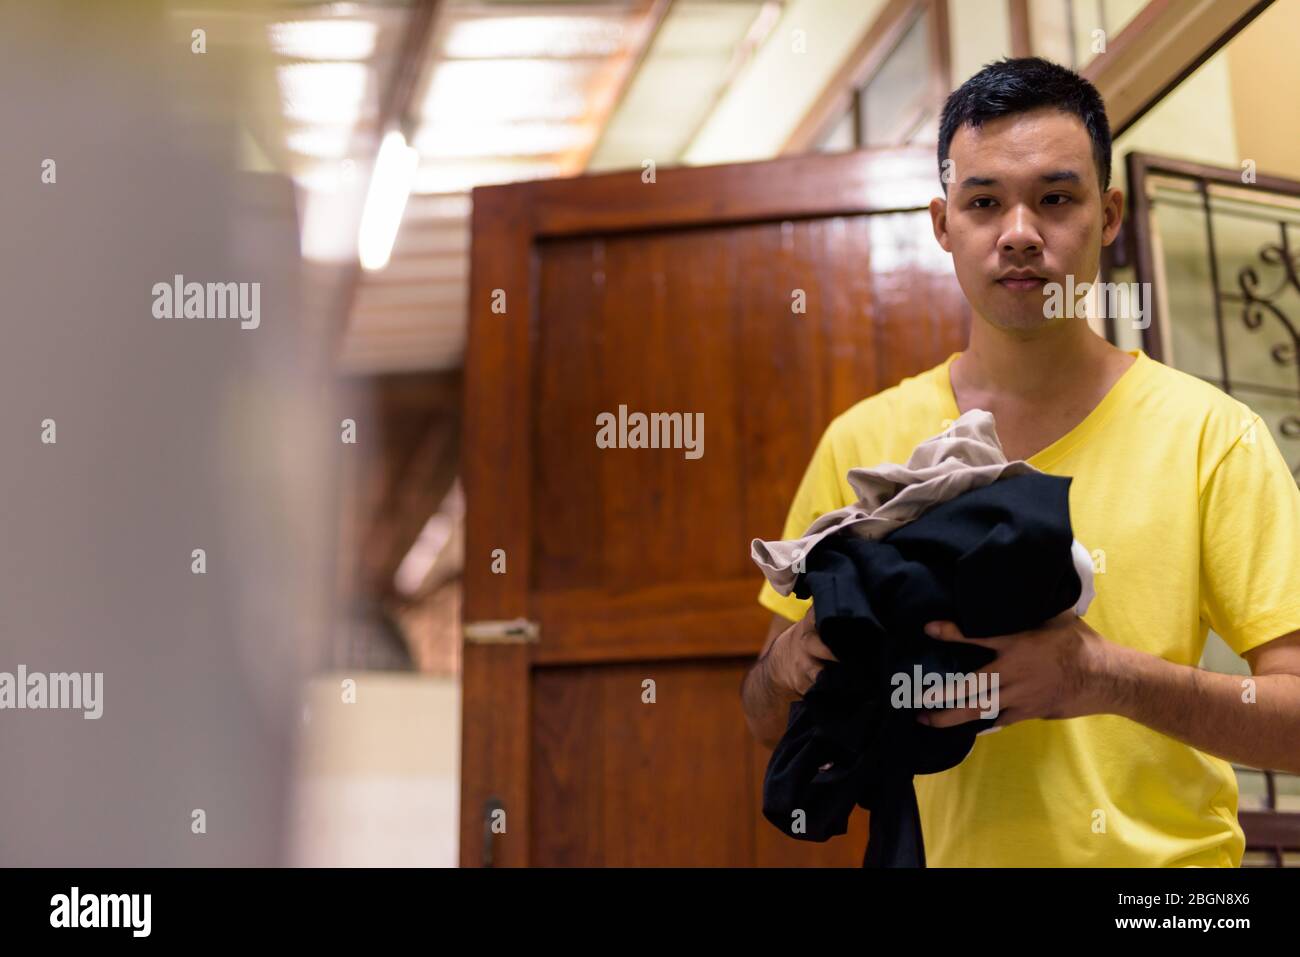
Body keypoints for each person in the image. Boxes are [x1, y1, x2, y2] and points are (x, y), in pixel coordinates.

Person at [740, 56, 1300, 867]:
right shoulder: (863, 443)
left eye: (1056, 198)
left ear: (1108, 215)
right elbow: (764, 717)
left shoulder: (1215, 437)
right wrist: (787, 664)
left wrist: (1101, 676)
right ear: (943, 225)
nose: (1019, 233)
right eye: (984, 202)